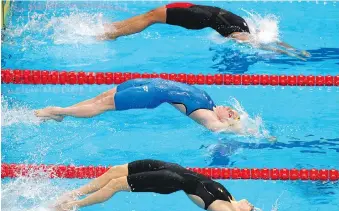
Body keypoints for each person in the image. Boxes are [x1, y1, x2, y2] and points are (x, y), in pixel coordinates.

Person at [52, 159, 291, 211]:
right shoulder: (231, 198)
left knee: (115, 185)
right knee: (115, 170)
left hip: (171, 180)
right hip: (174, 168)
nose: (252, 206)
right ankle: (73, 193)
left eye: (251, 209)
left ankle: (72, 206)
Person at [98, 2, 310, 60]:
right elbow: (268, 39)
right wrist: (292, 49)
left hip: (197, 16)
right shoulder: (244, 25)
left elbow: (254, 41)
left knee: (151, 17)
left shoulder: (237, 29)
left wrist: (285, 52)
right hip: (197, 13)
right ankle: (113, 29)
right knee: (150, 15)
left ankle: (112, 32)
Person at [34, 79, 247, 134]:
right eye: (232, 111)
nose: (231, 111)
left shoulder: (208, 116)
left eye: (231, 115)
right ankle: (63, 112)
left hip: (151, 94)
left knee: (103, 106)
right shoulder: (210, 103)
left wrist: (234, 126)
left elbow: (219, 130)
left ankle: (57, 111)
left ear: (223, 120)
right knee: (102, 96)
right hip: (150, 82)